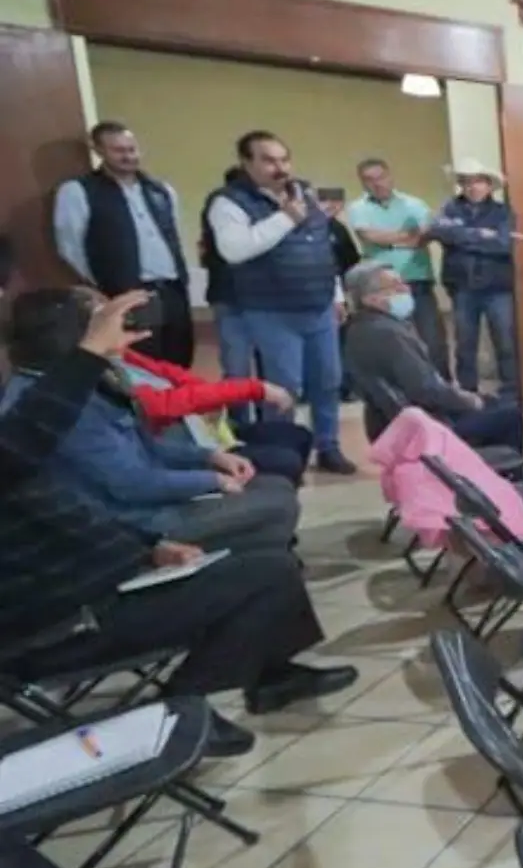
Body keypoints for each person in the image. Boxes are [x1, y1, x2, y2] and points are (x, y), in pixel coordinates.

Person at [0, 290, 356, 759]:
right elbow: (92, 471)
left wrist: (148, 548)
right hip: (64, 624)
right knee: (269, 568)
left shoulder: (56, 407)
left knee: (269, 562)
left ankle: (263, 676)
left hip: (102, 576)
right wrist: (89, 354)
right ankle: (176, 713)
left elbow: (61, 512)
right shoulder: (36, 411)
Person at [1, 288, 302, 557]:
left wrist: (209, 457)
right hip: (138, 523)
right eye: (103, 321)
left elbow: (148, 446)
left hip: (150, 495)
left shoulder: (83, 378)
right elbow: (131, 484)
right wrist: (212, 480)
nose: (118, 328)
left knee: (275, 485)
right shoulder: (54, 403)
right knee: (276, 501)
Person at [204, 131, 355, 475]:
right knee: (284, 388)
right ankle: (282, 452)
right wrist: (286, 218)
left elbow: (322, 248)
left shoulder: (304, 194)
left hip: (318, 306)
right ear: (247, 163)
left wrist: (336, 294)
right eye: (269, 160)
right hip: (272, 310)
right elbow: (235, 250)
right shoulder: (228, 202)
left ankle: (328, 447)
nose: (280, 168)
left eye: (284, 159)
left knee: (328, 381)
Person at [341, 262, 523, 453]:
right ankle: (494, 471)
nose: (405, 289)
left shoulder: (358, 329)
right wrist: (470, 401)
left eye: (403, 283)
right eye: (395, 286)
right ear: (370, 299)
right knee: (509, 415)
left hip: (390, 423)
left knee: (490, 404)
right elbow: (426, 390)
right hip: (422, 428)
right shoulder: (389, 334)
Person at [51, 122, 194, 367]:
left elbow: (173, 236)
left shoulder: (160, 190)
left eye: (132, 149)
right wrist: (101, 283)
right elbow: (70, 247)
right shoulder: (78, 191)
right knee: (141, 361)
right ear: (99, 151)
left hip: (172, 289)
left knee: (179, 356)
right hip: (128, 291)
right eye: (118, 150)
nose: (128, 156)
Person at [115, 336, 314, 486]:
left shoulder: (125, 357)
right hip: (186, 450)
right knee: (285, 462)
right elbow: (164, 405)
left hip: (207, 429)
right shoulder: (108, 377)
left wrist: (211, 401)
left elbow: (177, 376)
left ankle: (281, 505)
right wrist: (255, 389)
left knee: (299, 436)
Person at [348, 158, 450, 376]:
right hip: (381, 288)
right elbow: (370, 236)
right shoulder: (358, 208)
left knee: (433, 342)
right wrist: (406, 238)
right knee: (391, 343)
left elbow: (425, 235)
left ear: (390, 176)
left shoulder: (414, 204)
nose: (377, 183)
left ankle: (442, 388)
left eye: (381, 177)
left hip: (417, 280)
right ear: (362, 183)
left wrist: (390, 241)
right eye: (370, 180)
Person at [430, 158, 520, 401]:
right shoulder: (449, 208)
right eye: (467, 182)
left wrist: (462, 237)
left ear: (489, 185)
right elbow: (439, 231)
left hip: (498, 287)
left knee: (506, 343)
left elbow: (503, 245)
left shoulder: (503, 212)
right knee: (464, 345)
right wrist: (480, 234)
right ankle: (467, 395)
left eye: (478, 182)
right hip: (462, 287)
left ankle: (511, 394)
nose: (473, 187)